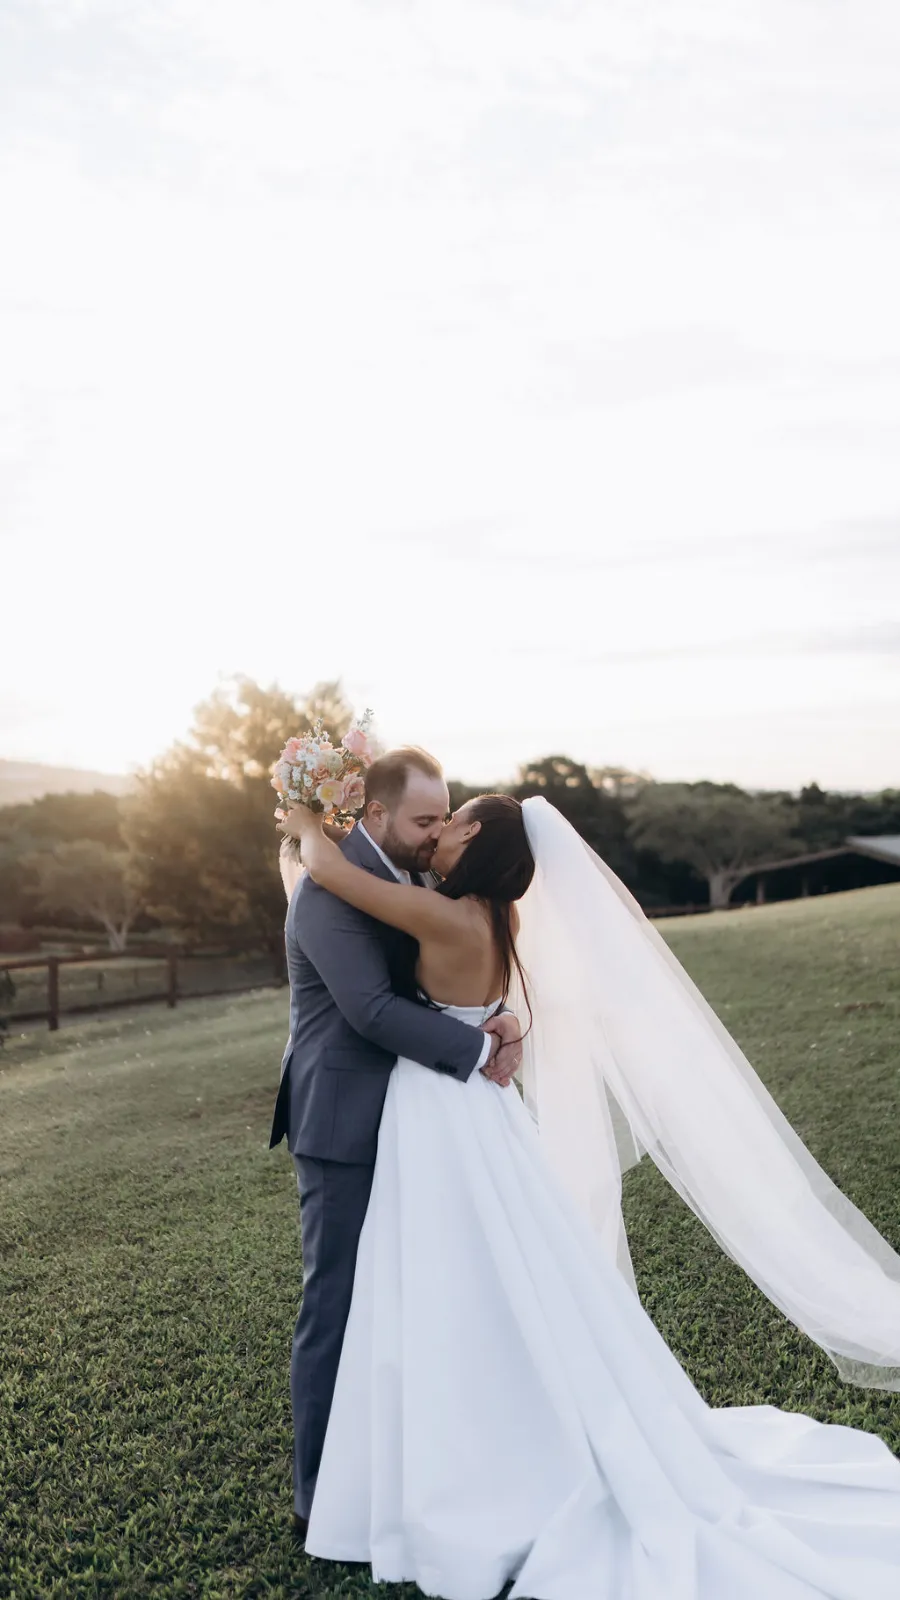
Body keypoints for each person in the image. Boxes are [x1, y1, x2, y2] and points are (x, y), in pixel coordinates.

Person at [279, 788, 900, 1600]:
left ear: (474, 837)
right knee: (500, 1267)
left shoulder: (440, 916)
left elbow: (330, 877)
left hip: (441, 1109)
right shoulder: (498, 919)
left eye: (451, 821)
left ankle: (450, 1453)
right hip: (483, 1110)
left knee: (443, 1274)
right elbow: (462, 982)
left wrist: (298, 821)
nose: (441, 832)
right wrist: (498, 1023)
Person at [268, 747, 523, 1541]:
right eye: (423, 818)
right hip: (345, 1123)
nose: (435, 831)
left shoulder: (415, 877)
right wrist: (479, 1049)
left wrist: (501, 1019)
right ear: (374, 814)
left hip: (418, 1122)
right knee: (337, 1309)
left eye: (444, 817)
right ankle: (320, 1496)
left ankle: (408, 1468)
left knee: (417, 1302)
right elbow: (373, 1010)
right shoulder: (329, 888)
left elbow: (450, 970)